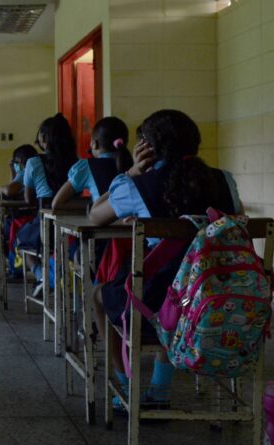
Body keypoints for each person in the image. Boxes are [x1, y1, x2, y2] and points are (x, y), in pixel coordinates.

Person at [89, 109, 242, 411]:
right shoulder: (224, 180)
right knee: (178, 293)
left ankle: (125, 387)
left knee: (101, 294)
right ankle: (160, 389)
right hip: (218, 302)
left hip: (160, 305)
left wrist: (131, 172)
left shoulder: (137, 186)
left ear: (147, 147)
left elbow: (94, 215)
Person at [16, 114, 78, 291]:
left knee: (21, 239)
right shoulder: (78, 162)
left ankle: (42, 277)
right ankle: (55, 277)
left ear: (43, 137)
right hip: (73, 227)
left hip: (46, 225)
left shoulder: (33, 162)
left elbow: (29, 199)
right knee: (62, 248)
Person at [51, 116, 133, 209]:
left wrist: (93, 205)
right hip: (133, 222)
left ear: (94, 144)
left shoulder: (86, 166)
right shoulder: (135, 166)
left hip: (103, 220)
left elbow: (57, 203)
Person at [0, 144, 38, 240]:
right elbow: (13, 185)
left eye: (15, 161)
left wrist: (1, 188)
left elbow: (9, 191)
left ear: (20, 161)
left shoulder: (23, 173)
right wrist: (12, 171)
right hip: (33, 219)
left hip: (19, 221)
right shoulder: (36, 171)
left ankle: (2, 254)